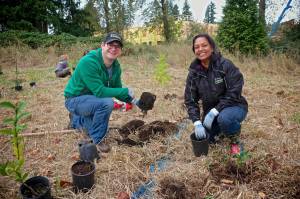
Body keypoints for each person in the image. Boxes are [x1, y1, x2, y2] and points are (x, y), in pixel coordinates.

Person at [64, 32, 141, 153]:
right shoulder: (88, 61)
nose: (113, 48)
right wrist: (125, 90)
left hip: (91, 99)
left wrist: (136, 101)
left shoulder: (115, 66)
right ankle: (97, 140)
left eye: (117, 46)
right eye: (110, 44)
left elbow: (117, 88)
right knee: (106, 103)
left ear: (120, 50)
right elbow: (100, 91)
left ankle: (76, 119)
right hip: (75, 99)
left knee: (88, 128)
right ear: (102, 45)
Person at [184, 33, 248, 155]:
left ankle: (235, 142)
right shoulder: (194, 73)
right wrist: (197, 122)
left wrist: (215, 111)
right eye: (197, 47)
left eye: (204, 45)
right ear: (194, 51)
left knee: (225, 119)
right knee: (209, 140)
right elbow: (190, 100)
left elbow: (235, 91)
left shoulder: (225, 65)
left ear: (212, 47)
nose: (200, 49)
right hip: (211, 112)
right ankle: (221, 130)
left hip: (234, 106)